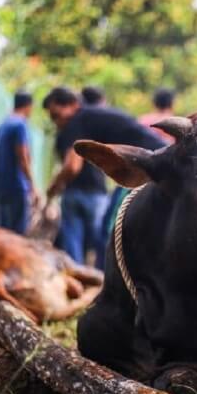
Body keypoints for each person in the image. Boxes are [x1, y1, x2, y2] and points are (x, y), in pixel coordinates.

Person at [43, 87, 165, 268]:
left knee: (110, 230)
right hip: (154, 161)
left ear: (72, 104)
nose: (56, 122)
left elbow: (72, 166)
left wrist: (53, 188)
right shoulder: (90, 116)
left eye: (56, 115)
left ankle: (105, 279)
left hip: (148, 166)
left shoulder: (76, 121)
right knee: (107, 231)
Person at [0, 91, 39, 235]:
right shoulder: (20, 125)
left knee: (3, 231)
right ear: (28, 106)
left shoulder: (3, 124)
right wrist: (32, 186)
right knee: (18, 234)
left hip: (1, 186)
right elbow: (23, 158)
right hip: (17, 186)